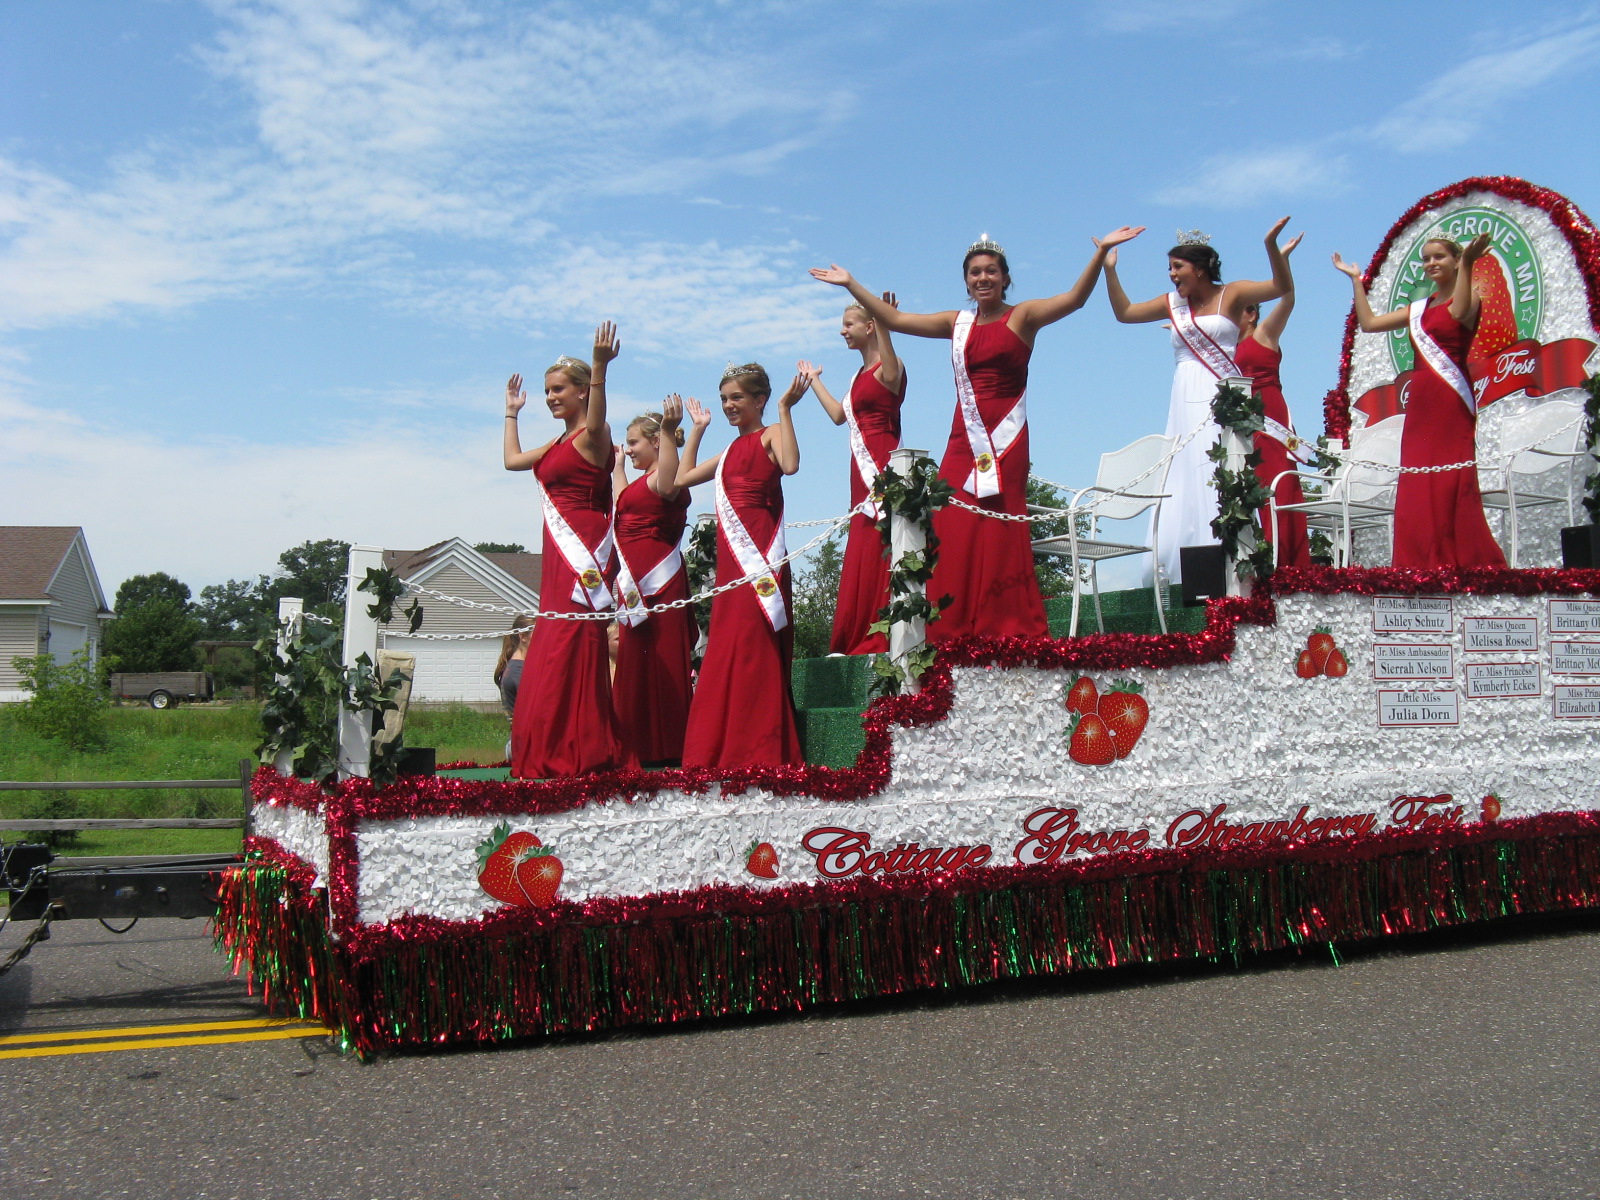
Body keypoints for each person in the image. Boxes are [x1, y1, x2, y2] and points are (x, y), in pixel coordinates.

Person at [810, 226, 1143, 641]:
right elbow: (894, 319)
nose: (982, 278)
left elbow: (1074, 299)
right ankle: (950, 627)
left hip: (1006, 439)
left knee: (1001, 531)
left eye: (990, 271)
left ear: (1005, 277)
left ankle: (1004, 626)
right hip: (961, 440)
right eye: (974, 273)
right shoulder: (957, 322)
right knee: (950, 528)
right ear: (966, 280)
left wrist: (1101, 254)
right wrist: (851, 284)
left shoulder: (1021, 316)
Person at [1102, 219, 1296, 584]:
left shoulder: (1232, 293)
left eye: (1178, 267)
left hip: (1219, 391)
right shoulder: (1173, 304)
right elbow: (1124, 313)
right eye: (1170, 268)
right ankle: (1185, 574)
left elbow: (1282, 286)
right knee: (1186, 473)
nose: (1172, 275)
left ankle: (1233, 569)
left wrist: (1270, 245)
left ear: (1201, 268)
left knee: (1219, 471)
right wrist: (1108, 268)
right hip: (1183, 393)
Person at [663, 363, 808, 767]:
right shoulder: (728, 452)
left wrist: (785, 410)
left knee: (755, 644)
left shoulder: (771, 434)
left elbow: (791, 464)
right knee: (728, 645)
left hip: (759, 555)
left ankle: (759, 746)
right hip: (731, 560)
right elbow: (681, 478)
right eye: (724, 398)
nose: (728, 405)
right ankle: (722, 744)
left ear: (759, 399)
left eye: (737, 397)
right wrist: (697, 429)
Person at [1333, 234, 1507, 569]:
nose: (1431, 264)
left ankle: (1458, 560)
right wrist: (1356, 280)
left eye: (1439, 257)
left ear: (1456, 260)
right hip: (1421, 402)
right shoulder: (1418, 310)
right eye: (1426, 259)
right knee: (1418, 480)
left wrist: (1470, 261)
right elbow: (1369, 324)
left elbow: (1459, 312)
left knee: (1448, 479)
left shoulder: (1468, 297)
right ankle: (1419, 561)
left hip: (1450, 398)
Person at [502, 323, 630, 778]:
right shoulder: (556, 443)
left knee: (571, 644)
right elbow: (513, 461)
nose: (551, 397)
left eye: (559, 390)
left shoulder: (593, 436)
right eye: (546, 391)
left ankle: (579, 744)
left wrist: (599, 366)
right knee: (553, 641)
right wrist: (512, 413)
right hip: (558, 553)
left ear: (581, 392)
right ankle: (548, 741)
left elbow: (597, 419)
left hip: (584, 555)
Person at [800, 296, 904, 654]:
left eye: (849, 324)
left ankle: (885, 632)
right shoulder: (857, 376)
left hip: (882, 463)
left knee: (884, 538)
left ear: (869, 326)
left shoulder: (888, 367)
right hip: (858, 472)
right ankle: (856, 632)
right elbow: (837, 415)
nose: (842, 330)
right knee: (862, 542)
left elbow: (891, 373)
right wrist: (813, 381)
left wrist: (886, 321)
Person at [610, 403, 694, 766]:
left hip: (659, 580)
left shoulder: (668, 476)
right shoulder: (643, 478)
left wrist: (676, 428)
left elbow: (667, 482)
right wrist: (617, 469)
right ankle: (635, 742)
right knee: (634, 658)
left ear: (656, 441)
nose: (628, 449)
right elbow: (622, 505)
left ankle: (666, 745)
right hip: (633, 580)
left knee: (661, 658)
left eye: (633, 442)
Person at [1234, 233, 1311, 569]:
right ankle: (1262, 558)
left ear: (1251, 313)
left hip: (1270, 411)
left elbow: (1289, 298)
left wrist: (1283, 259)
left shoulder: (1264, 334)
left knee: (1279, 482)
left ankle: (1291, 560)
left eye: (1237, 311)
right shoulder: (1227, 346)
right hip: (1241, 421)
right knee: (1251, 486)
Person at [493, 613, 536, 757]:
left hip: (519, 743)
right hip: (522, 745)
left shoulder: (518, 667)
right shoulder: (518, 670)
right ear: (523, 637)